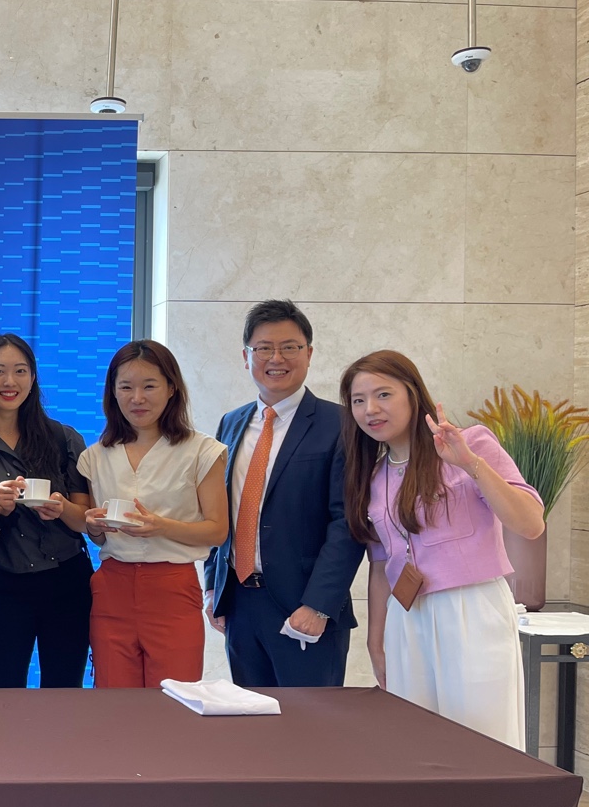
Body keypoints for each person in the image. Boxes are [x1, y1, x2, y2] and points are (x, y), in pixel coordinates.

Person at [341, 350, 542, 749]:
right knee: (415, 743)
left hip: (472, 609)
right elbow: (381, 565)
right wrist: (376, 640)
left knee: (482, 737)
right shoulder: (374, 475)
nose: (370, 409)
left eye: (383, 394)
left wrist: (471, 464)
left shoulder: (471, 444)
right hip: (407, 617)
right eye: (358, 400)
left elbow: (530, 524)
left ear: (413, 395)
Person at [203, 300, 364, 687]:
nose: (276, 357)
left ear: (309, 353)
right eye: (263, 348)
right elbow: (218, 509)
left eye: (290, 347)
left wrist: (318, 605)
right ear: (246, 357)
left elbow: (348, 522)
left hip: (305, 606)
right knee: (251, 729)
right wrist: (213, 586)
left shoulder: (341, 424)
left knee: (310, 734)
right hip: (240, 604)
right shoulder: (231, 422)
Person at [78, 341, 228, 688]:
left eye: (149, 386)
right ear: (112, 392)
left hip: (172, 587)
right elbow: (97, 535)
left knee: (175, 701)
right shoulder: (95, 456)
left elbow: (217, 530)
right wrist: (93, 526)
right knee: (114, 702)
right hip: (111, 587)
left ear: (172, 388)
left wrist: (161, 527)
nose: (137, 398)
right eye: (126, 387)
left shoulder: (201, 450)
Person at [0, 333, 93, 688]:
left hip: (68, 581)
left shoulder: (63, 438)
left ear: (33, 379)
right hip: (4, 586)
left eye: (20, 371)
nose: (10, 382)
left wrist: (61, 507)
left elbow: (86, 522)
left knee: (65, 692)